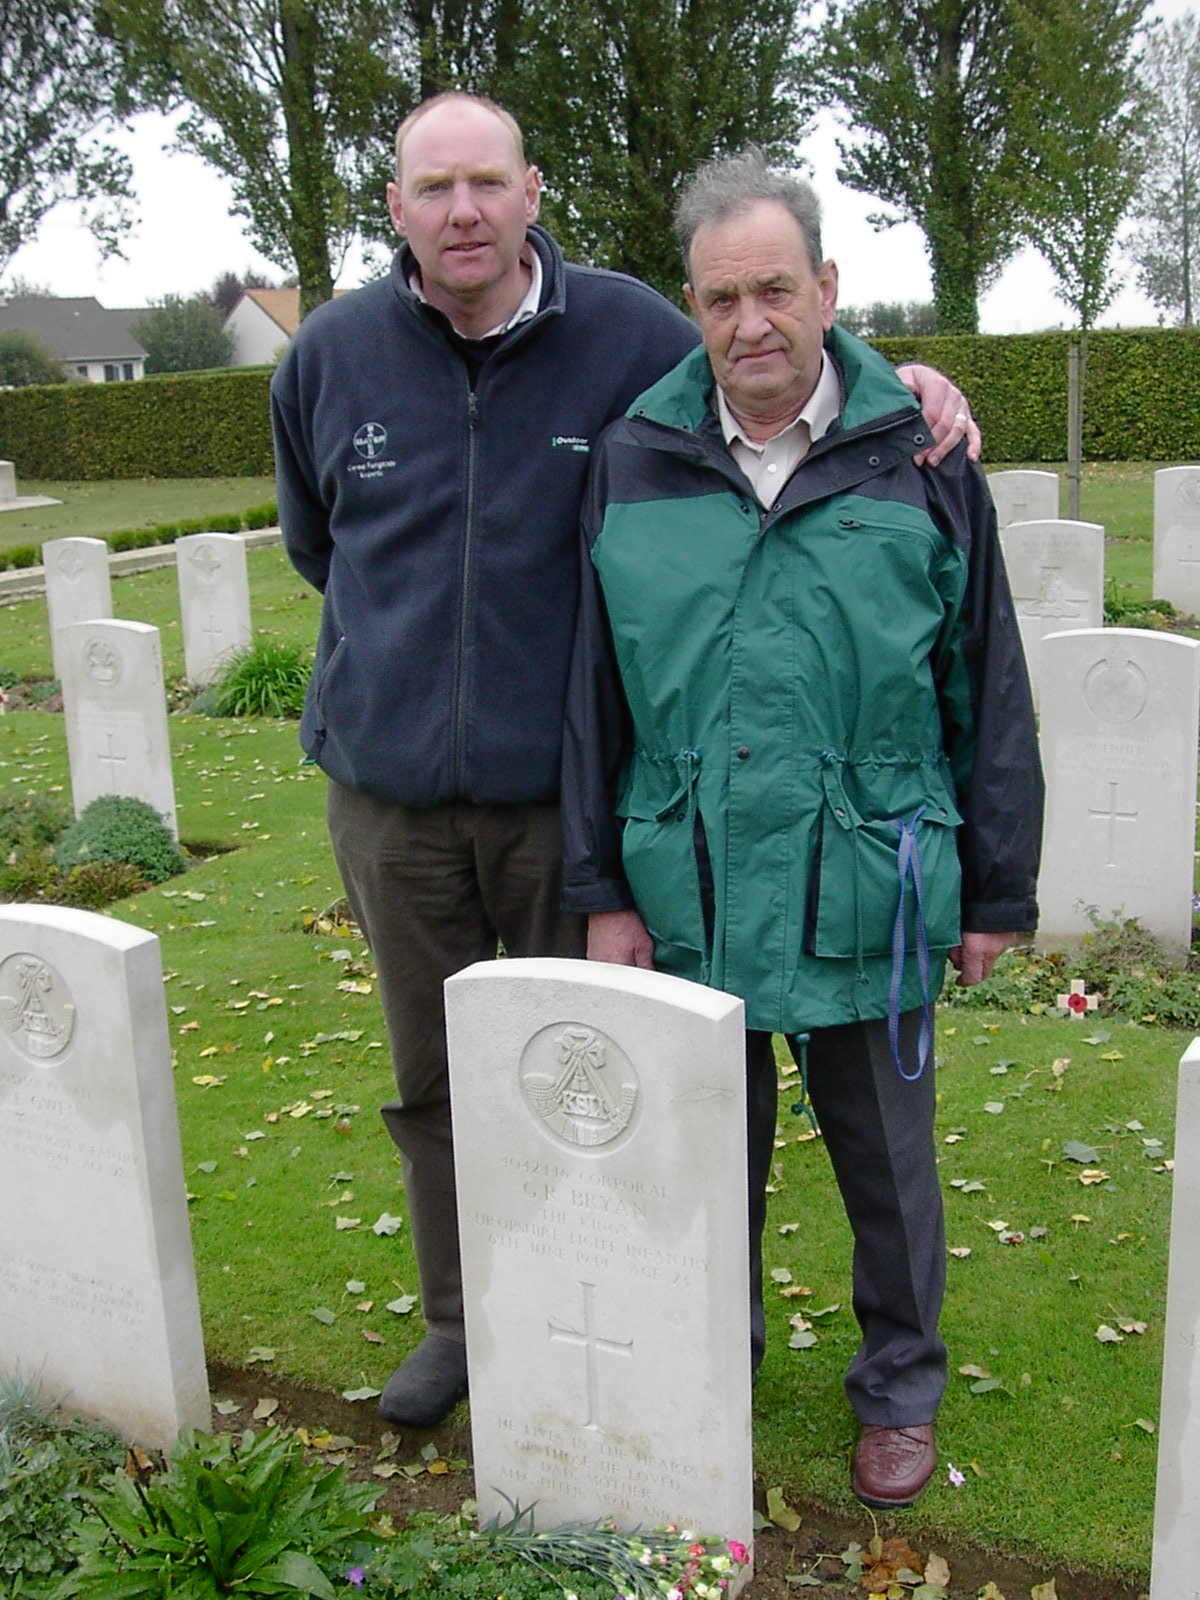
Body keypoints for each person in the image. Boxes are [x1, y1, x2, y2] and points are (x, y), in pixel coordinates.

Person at [270, 93, 982, 1432]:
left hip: (565, 804)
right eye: (434, 188)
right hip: (392, 800)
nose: (463, 211)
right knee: (432, 1084)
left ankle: (586, 1319)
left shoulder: (628, 333)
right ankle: (464, 1324)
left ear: (533, 190)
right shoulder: (327, 359)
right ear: (398, 209)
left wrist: (920, 390)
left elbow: (769, 342)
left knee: (582, 1088)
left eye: (488, 180)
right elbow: (320, 550)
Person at [561, 147, 1043, 1511]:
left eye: (777, 288)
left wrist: (994, 892)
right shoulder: (635, 459)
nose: (751, 324)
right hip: (688, 872)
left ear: (829, 288)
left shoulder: (922, 452)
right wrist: (603, 884)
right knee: (702, 1154)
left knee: (887, 1163)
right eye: (721, 298)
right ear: (693, 307)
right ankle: (712, 1355)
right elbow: (593, 694)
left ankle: (900, 1385)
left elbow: (984, 681)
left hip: (867, 876)